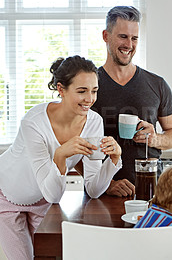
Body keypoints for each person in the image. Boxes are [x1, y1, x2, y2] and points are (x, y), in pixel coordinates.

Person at [0, 55, 122, 259]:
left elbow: (92, 190)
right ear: (61, 89)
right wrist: (60, 155)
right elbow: (53, 194)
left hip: (43, 199)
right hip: (8, 195)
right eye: (82, 91)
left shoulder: (94, 122)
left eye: (94, 91)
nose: (90, 99)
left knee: (60, 252)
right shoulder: (34, 122)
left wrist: (114, 160)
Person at [91, 5, 172, 198]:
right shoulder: (89, 85)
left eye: (134, 38)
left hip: (150, 190)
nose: (129, 45)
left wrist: (155, 138)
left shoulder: (157, 84)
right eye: (123, 36)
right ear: (106, 36)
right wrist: (107, 184)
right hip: (102, 194)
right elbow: (75, 146)